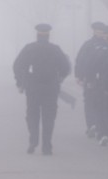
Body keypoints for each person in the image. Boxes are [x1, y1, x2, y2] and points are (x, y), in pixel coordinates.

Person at [13, 23, 71, 155]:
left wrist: (21, 81)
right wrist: (60, 78)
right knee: (49, 117)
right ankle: (47, 146)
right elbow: (65, 67)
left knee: (32, 115)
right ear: (48, 35)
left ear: (37, 35)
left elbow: (17, 66)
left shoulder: (29, 48)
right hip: (51, 88)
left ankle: (33, 140)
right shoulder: (55, 49)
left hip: (33, 87)